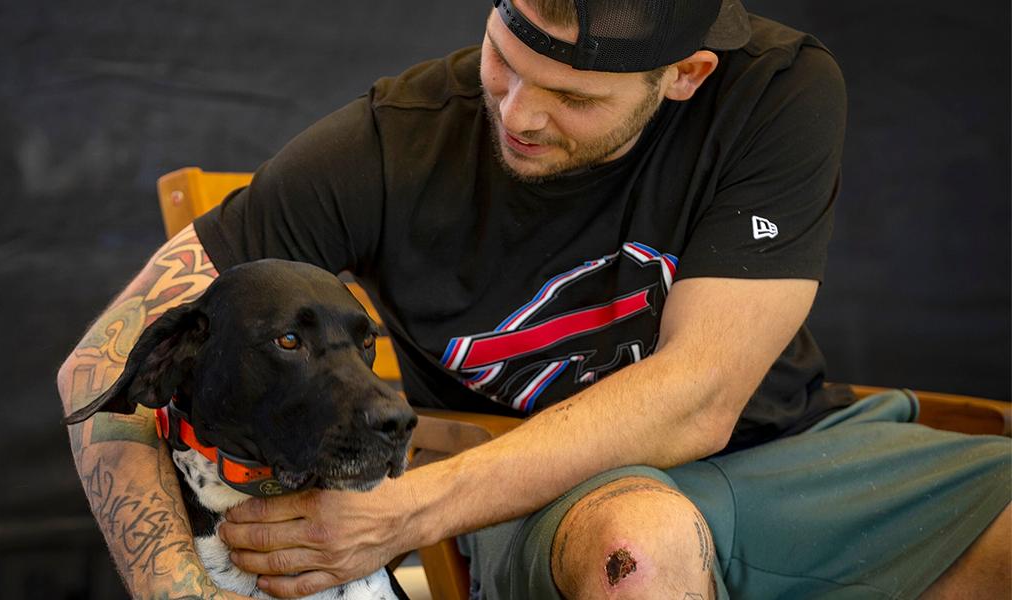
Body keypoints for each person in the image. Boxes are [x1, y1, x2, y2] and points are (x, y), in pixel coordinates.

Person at [57, 0, 1011, 598]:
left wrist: (406, 512)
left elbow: (700, 396)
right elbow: (100, 364)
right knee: (637, 552)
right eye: (504, 59)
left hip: (797, 447)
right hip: (556, 489)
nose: (516, 112)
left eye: (575, 97)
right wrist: (176, 587)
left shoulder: (779, 91)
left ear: (684, 76)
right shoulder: (389, 144)